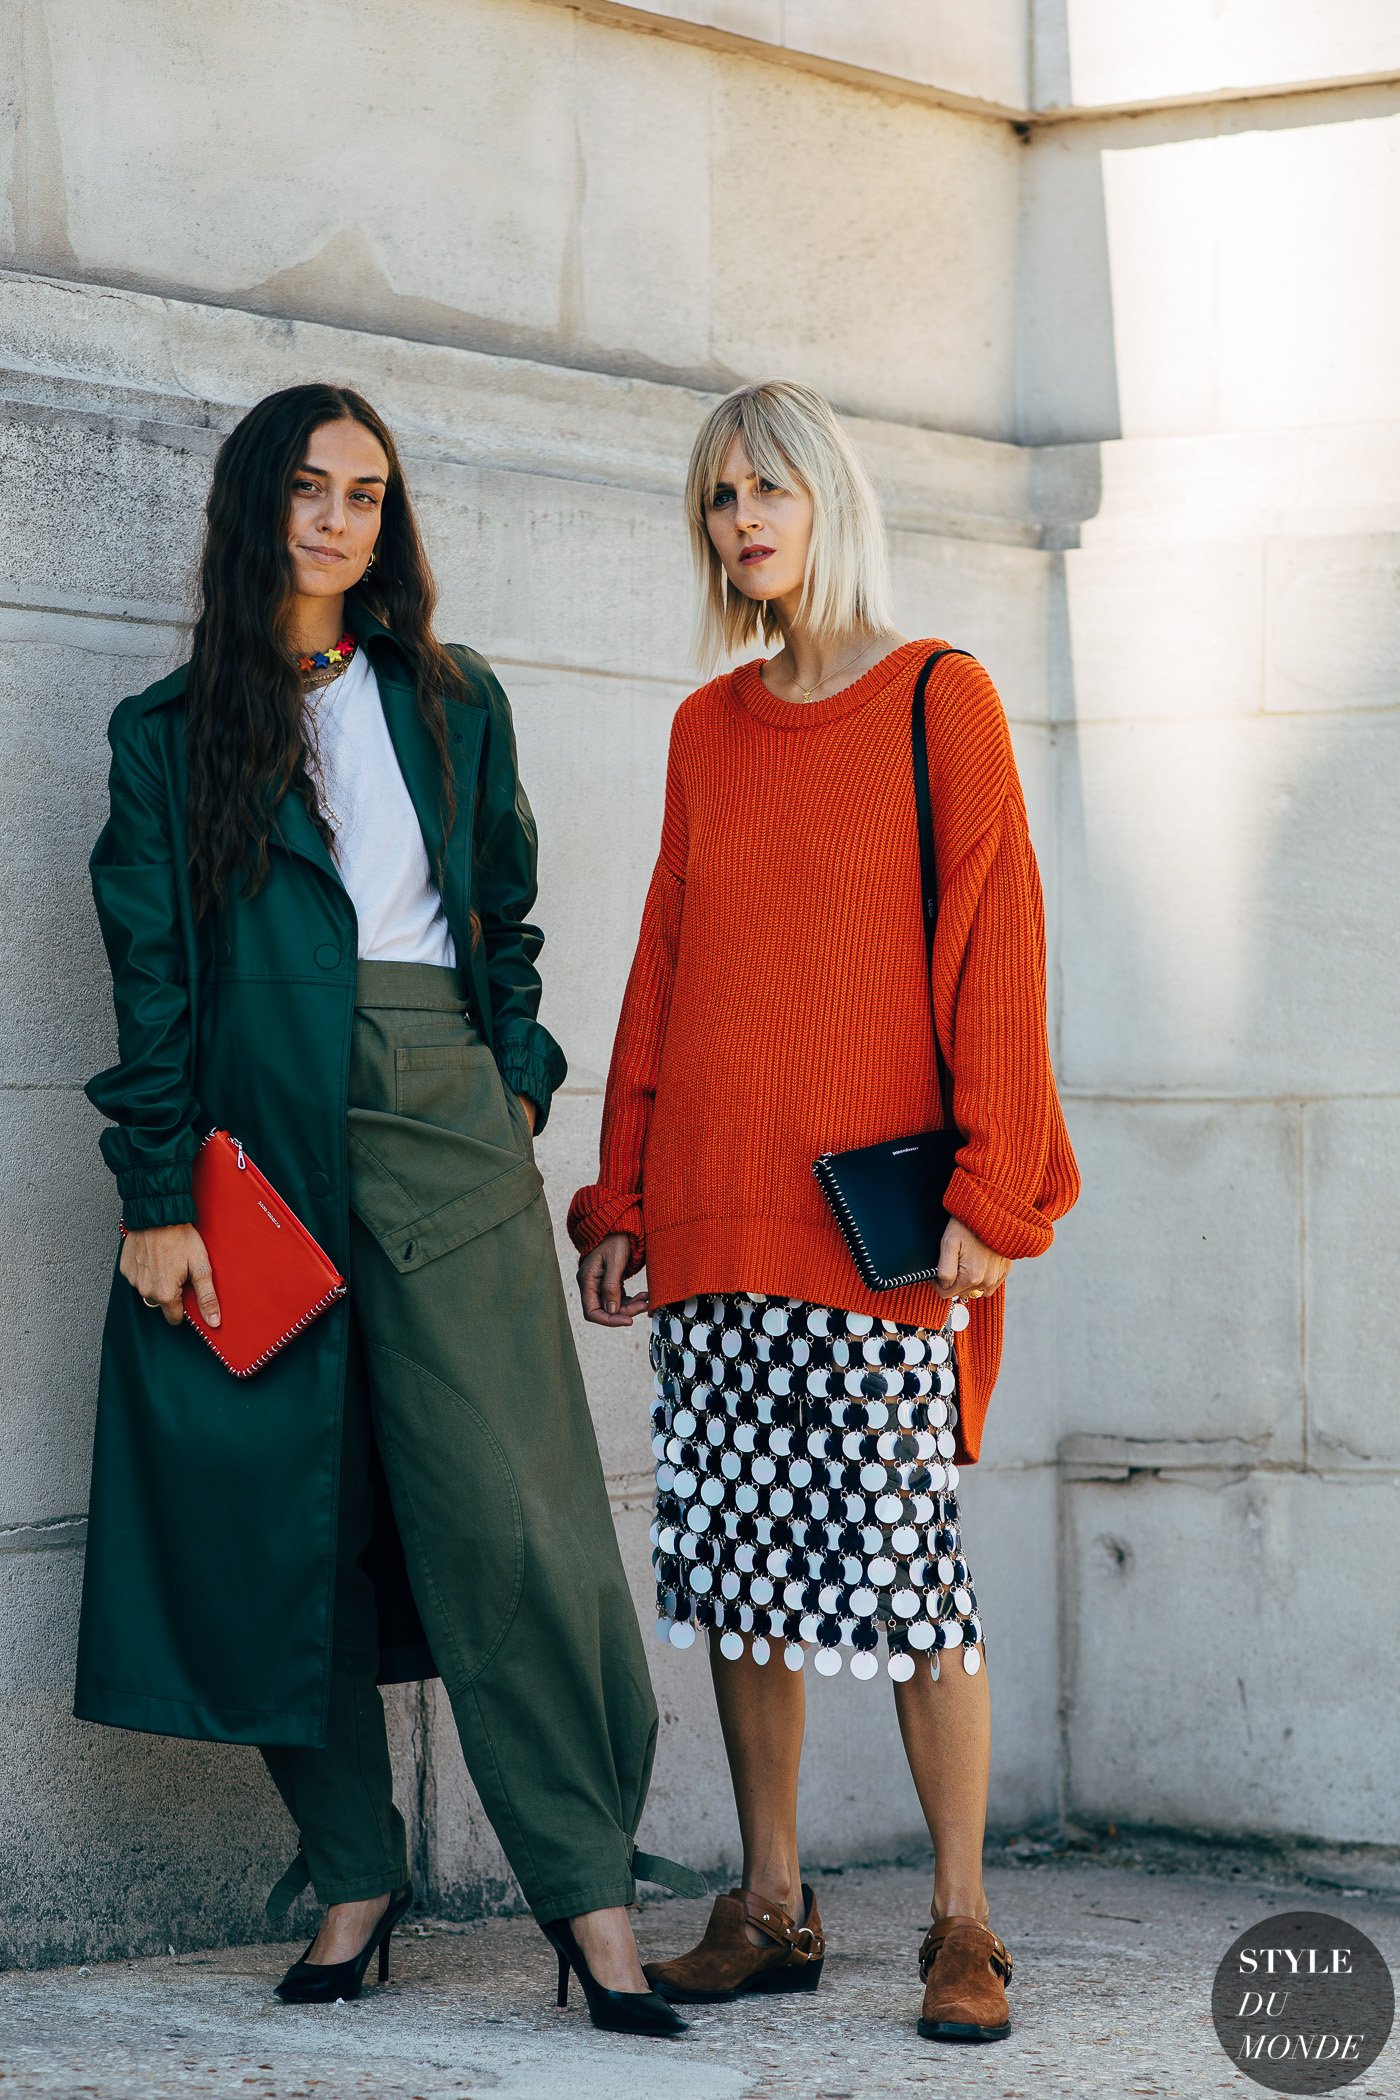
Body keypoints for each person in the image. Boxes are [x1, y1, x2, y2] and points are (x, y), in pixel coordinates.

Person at [78, 382, 689, 2037]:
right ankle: (355, 1873)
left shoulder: (448, 699)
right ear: (255, 507)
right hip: (252, 1149)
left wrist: (514, 1081)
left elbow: (507, 914)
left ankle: (591, 1898)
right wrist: (158, 1192)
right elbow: (149, 985)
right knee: (287, 1519)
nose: (338, 518)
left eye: (367, 491)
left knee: (519, 1517)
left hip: (445, 1120)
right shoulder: (169, 731)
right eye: (308, 488)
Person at [568, 380, 1079, 2044]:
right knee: (739, 1572)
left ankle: (963, 1921)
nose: (743, 522)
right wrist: (622, 1189)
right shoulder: (705, 730)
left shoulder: (941, 697)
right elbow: (664, 964)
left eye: (768, 488)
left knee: (910, 1574)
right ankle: (774, 1904)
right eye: (718, 499)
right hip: (714, 1219)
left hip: (875, 1238)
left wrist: (997, 1189)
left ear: (830, 499)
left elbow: (997, 947)